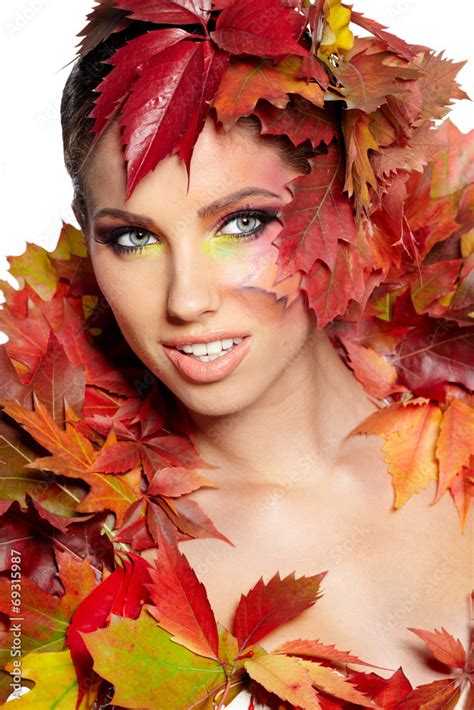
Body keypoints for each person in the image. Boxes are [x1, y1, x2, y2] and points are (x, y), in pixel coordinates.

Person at [1, 1, 471, 708]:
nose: (186, 300)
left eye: (242, 222)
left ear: (341, 205)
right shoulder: (51, 565)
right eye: (133, 237)